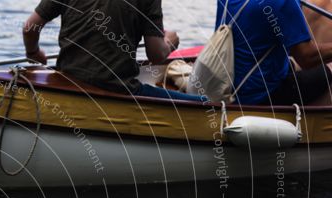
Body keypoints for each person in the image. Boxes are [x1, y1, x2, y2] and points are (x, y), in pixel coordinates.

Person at [23, 0, 206, 101]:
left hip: (68, 81)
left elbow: (30, 27)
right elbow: (156, 55)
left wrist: (33, 53)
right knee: (204, 104)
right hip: (115, 89)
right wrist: (170, 42)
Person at [218, 0, 332, 105]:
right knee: (329, 67)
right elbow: (307, 58)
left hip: (224, 83)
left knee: (292, 64)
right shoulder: (284, 2)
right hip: (260, 94)